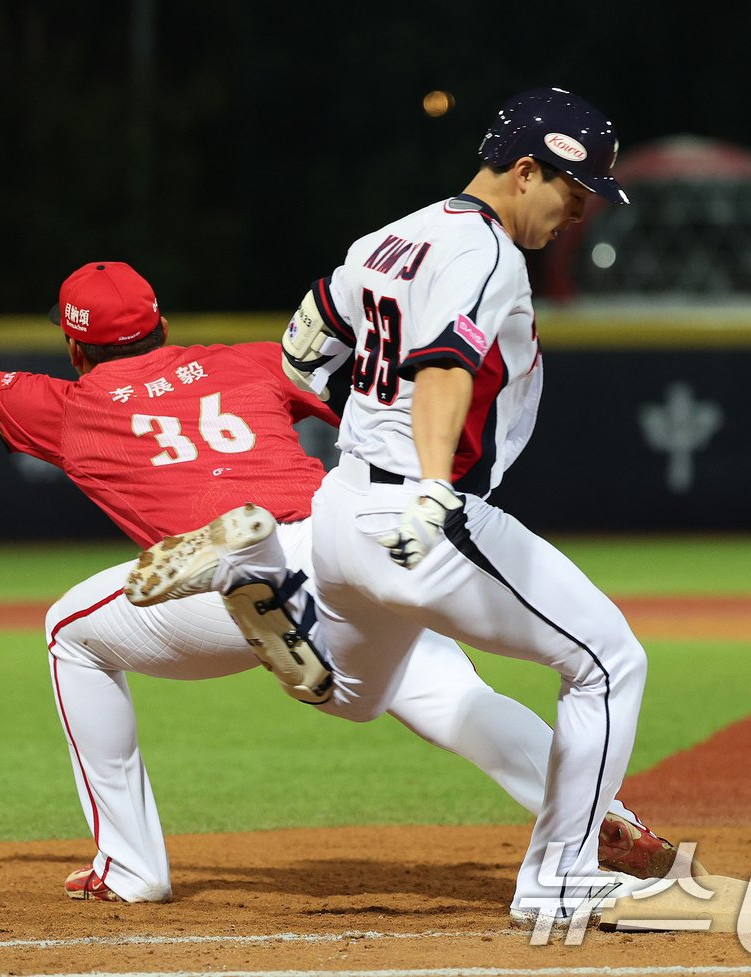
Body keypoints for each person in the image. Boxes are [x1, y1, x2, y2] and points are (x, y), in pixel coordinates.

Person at [0, 257, 678, 906]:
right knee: (448, 693)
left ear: (76, 348)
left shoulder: (68, 405)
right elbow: (358, 396)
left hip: (228, 598)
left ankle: (131, 863)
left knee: (70, 632)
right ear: (161, 325)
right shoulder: (248, 363)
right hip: (342, 546)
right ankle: (604, 817)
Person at [132, 88, 664, 928]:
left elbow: (306, 342)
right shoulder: (487, 253)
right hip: (419, 515)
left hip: (342, 506)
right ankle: (559, 877)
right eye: (574, 189)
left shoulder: (388, 238)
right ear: (527, 170)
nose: (579, 211)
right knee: (608, 660)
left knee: (353, 693)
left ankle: (263, 575)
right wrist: (431, 485)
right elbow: (446, 366)